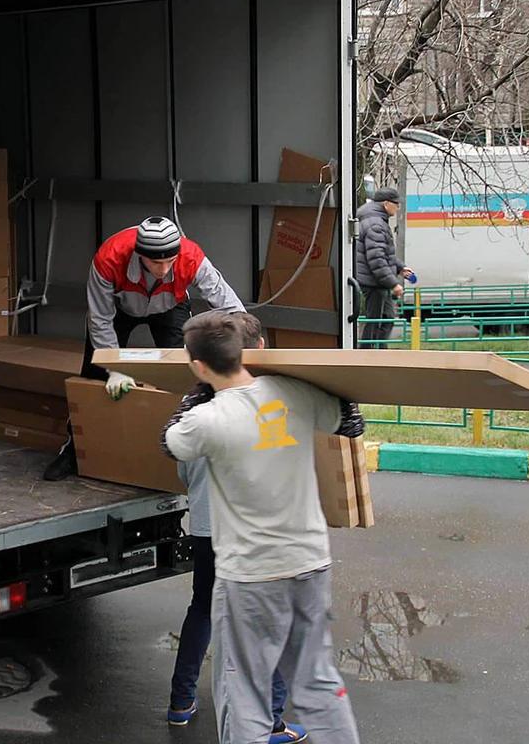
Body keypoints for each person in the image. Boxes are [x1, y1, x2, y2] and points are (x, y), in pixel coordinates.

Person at [161, 311, 365, 744]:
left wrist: (196, 394)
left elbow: (170, 441)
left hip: (250, 574)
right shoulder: (293, 392)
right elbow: (351, 422)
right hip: (310, 563)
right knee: (318, 680)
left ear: (198, 365)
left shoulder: (207, 419)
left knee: (244, 690)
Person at [166, 312, 307, 744]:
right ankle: (270, 722)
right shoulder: (269, 402)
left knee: (203, 609)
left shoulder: (194, 406)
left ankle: (180, 702)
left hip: (207, 527)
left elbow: (183, 469)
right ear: (258, 349)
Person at [41, 215, 244, 481]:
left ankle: (185, 453)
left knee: (183, 377)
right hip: (119, 308)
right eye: (156, 262)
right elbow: (100, 318)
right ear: (140, 255)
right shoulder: (109, 258)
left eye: (170, 261)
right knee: (94, 375)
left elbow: (229, 304)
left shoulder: (192, 257)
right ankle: (74, 451)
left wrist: (245, 343)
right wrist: (114, 368)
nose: (163, 269)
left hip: (170, 306)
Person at [355, 187, 413, 348]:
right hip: (374, 282)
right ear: (386, 204)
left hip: (377, 282)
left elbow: (382, 253)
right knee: (375, 322)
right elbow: (377, 260)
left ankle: (378, 352)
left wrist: (400, 267)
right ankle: (367, 354)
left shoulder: (375, 220)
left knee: (386, 319)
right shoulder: (376, 224)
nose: (398, 207)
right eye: (396, 204)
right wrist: (393, 284)